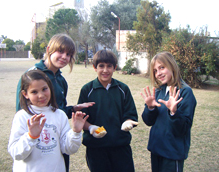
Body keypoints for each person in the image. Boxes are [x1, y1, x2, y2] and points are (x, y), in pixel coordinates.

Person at [15, 33, 94, 171]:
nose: (65, 57)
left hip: (57, 140)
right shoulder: (31, 75)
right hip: (36, 145)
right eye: (61, 51)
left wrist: (74, 108)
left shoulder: (61, 80)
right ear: (49, 49)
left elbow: (58, 111)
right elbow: (22, 111)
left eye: (69, 54)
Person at [8, 70, 89, 172]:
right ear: (25, 94)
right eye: (34, 92)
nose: (41, 95)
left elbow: (68, 149)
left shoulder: (60, 115)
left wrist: (76, 132)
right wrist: (31, 137)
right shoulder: (22, 116)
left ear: (50, 88)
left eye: (44, 89)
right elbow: (16, 153)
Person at [77, 50, 138, 172]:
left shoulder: (123, 89)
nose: (105, 70)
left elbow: (131, 114)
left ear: (114, 67)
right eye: (101, 66)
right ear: (94, 67)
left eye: (109, 66)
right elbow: (81, 120)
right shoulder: (87, 90)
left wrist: (128, 122)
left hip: (120, 147)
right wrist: (91, 128)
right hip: (96, 149)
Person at [141, 52, 197, 172]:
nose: (159, 73)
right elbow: (148, 121)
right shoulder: (160, 91)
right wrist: (150, 108)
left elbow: (183, 129)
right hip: (156, 150)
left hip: (172, 153)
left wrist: (174, 112)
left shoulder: (185, 92)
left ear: (172, 66)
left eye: (162, 67)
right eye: (155, 70)